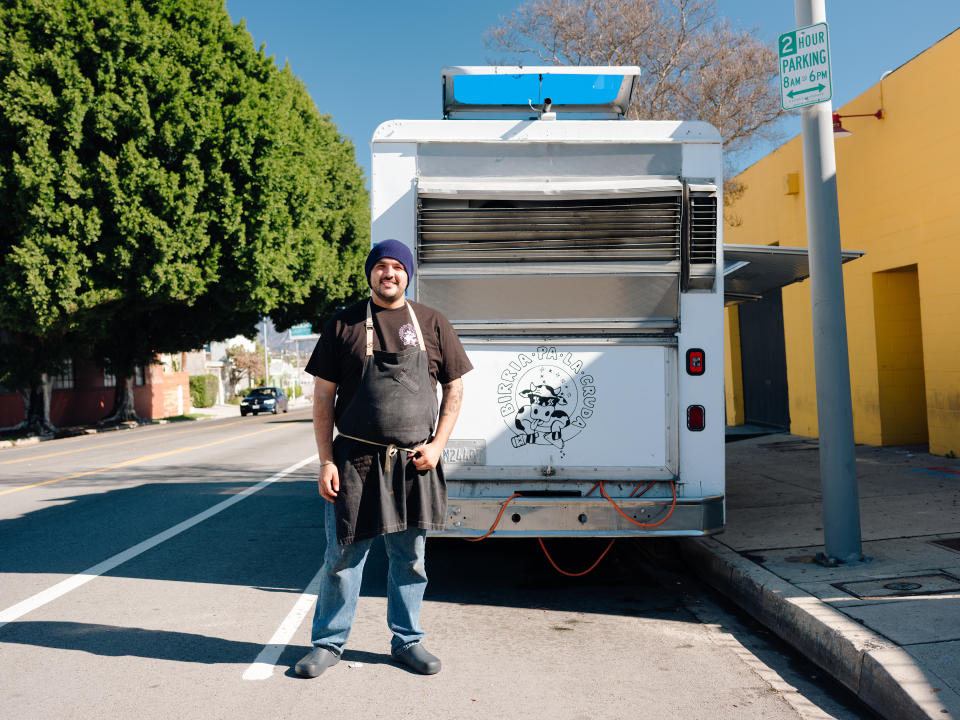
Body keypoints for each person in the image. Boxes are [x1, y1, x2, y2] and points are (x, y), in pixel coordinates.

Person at [295, 239, 473, 679]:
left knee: (410, 558)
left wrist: (438, 446)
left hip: (415, 462)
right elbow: (322, 398)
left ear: (407, 275)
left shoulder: (432, 323)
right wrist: (324, 461)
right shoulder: (343, 325)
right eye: (381, 266)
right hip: (354, 460)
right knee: (342, 557)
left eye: (397, 266)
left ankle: (407, 641)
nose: (388, 273)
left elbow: (455, 387)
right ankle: (328, 643)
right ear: (370, 273)